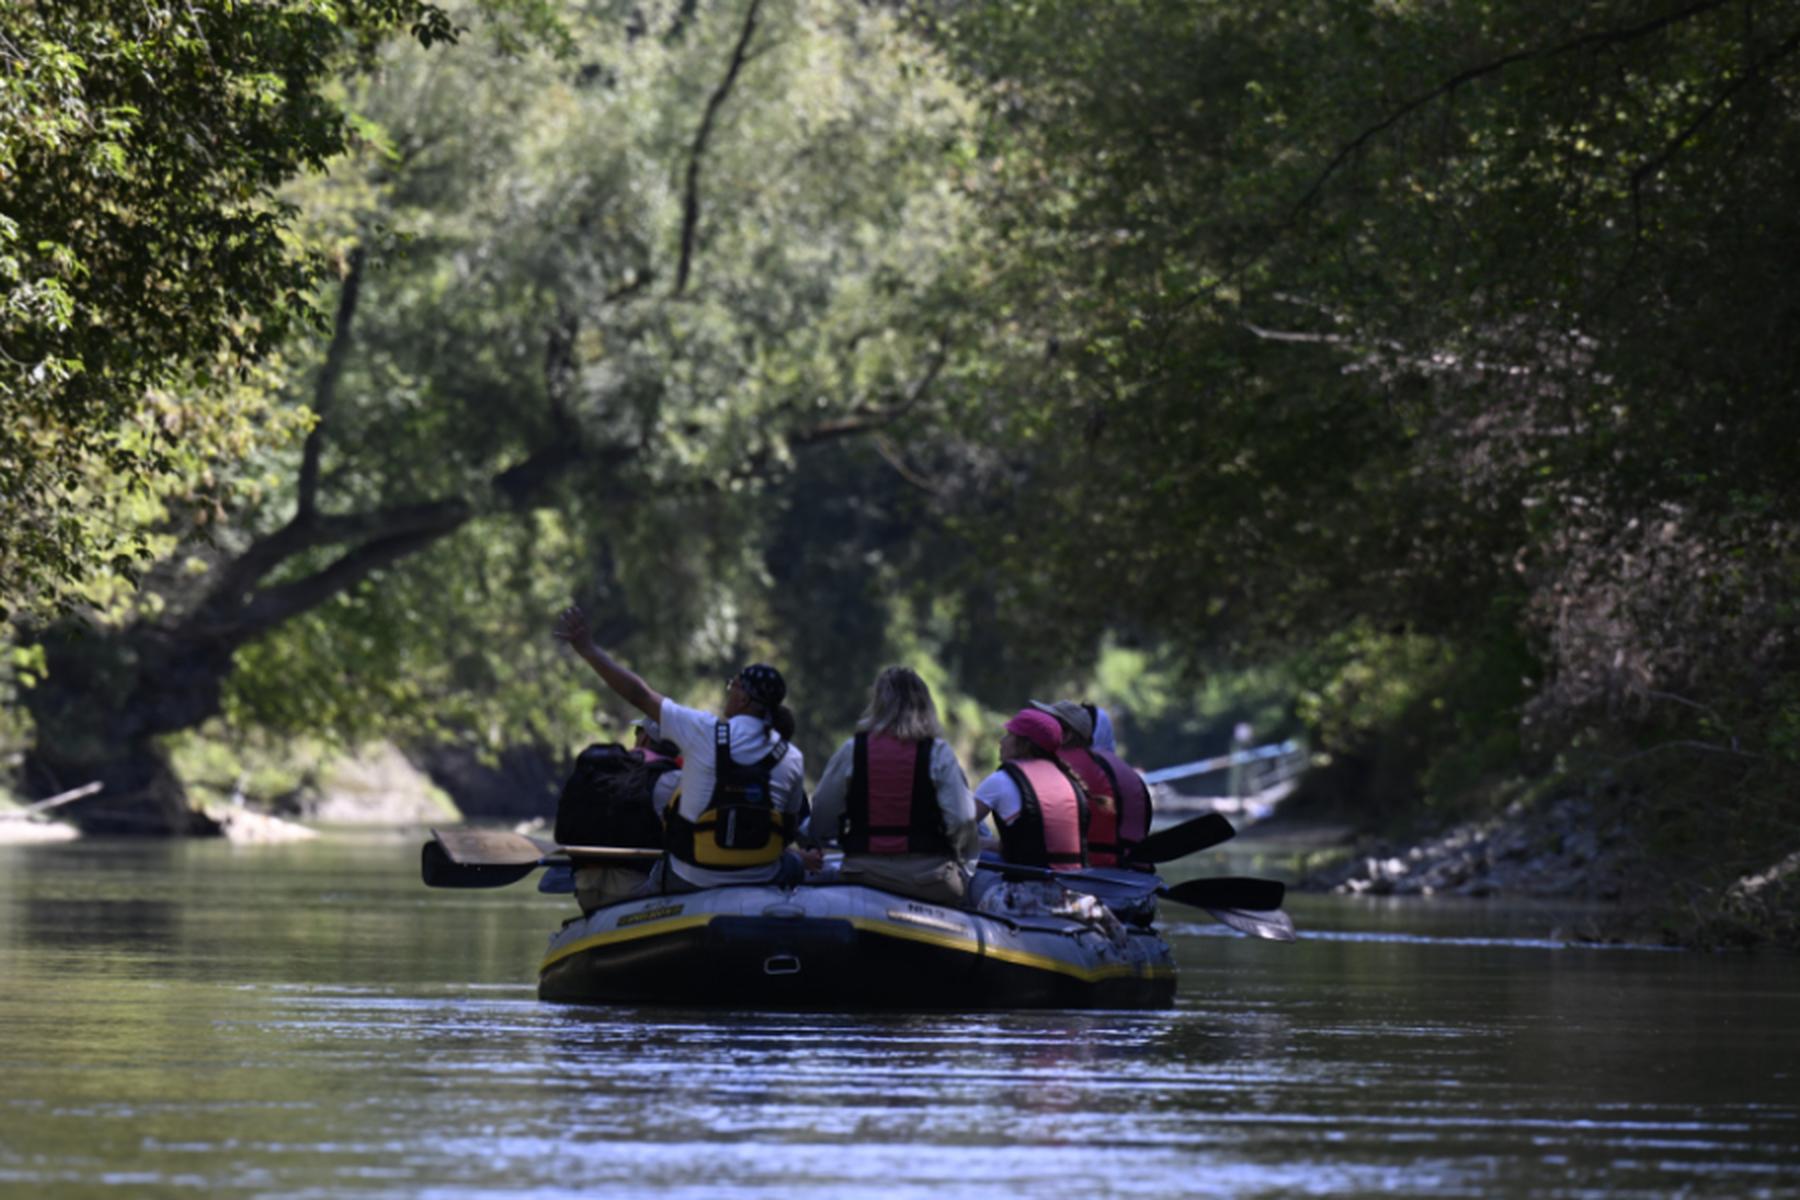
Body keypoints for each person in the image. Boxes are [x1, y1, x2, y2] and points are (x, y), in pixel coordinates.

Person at [552, 605, 806, 894]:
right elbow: (788, 829)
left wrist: (588, 650)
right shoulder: (792, 756)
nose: (729, 692)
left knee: (663, 867)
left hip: (692, 877)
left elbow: (639, 694)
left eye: (732, 686)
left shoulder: (704, 731)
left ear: (744, 698)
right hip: (762, 876)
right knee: (795, 865)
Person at [808, 667, 979, 907]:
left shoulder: (852, 750)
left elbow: (823, 809)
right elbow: (962, 819)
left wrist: (823, 840)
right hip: (928, 880)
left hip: (862, 875)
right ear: (926, 705)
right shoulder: (938, 753)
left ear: (878, 703)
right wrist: (963, 858)